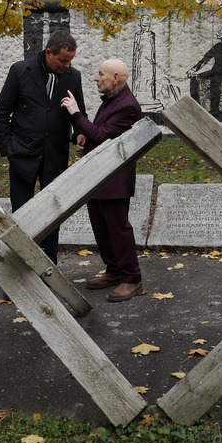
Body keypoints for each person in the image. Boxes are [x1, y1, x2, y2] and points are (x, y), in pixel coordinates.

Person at [0, 30, 86, 264]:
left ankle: (49, 266)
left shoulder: (73, 77)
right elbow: (2, 112)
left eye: (71, 61)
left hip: (55, 156)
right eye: (63, 60)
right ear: (48, 53)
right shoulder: (20, 71)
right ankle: (20, 267)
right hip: (22, 155)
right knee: (22, 214)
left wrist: (80, 134)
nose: (67, 65)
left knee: (52, 213)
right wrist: (9, 149)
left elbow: (79, 112)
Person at [60, 59, 144, 302]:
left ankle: (132, 278)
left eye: (100, 74)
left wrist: (76, 112)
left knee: (118, 230)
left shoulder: (128, 105)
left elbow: (101, 134)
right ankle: (114, 271)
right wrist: (84, 138)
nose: (96, 78)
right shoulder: (111, 100)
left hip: (114, 179)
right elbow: (99, 133)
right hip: (99, 176)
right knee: (101, 227)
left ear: (115, 77)